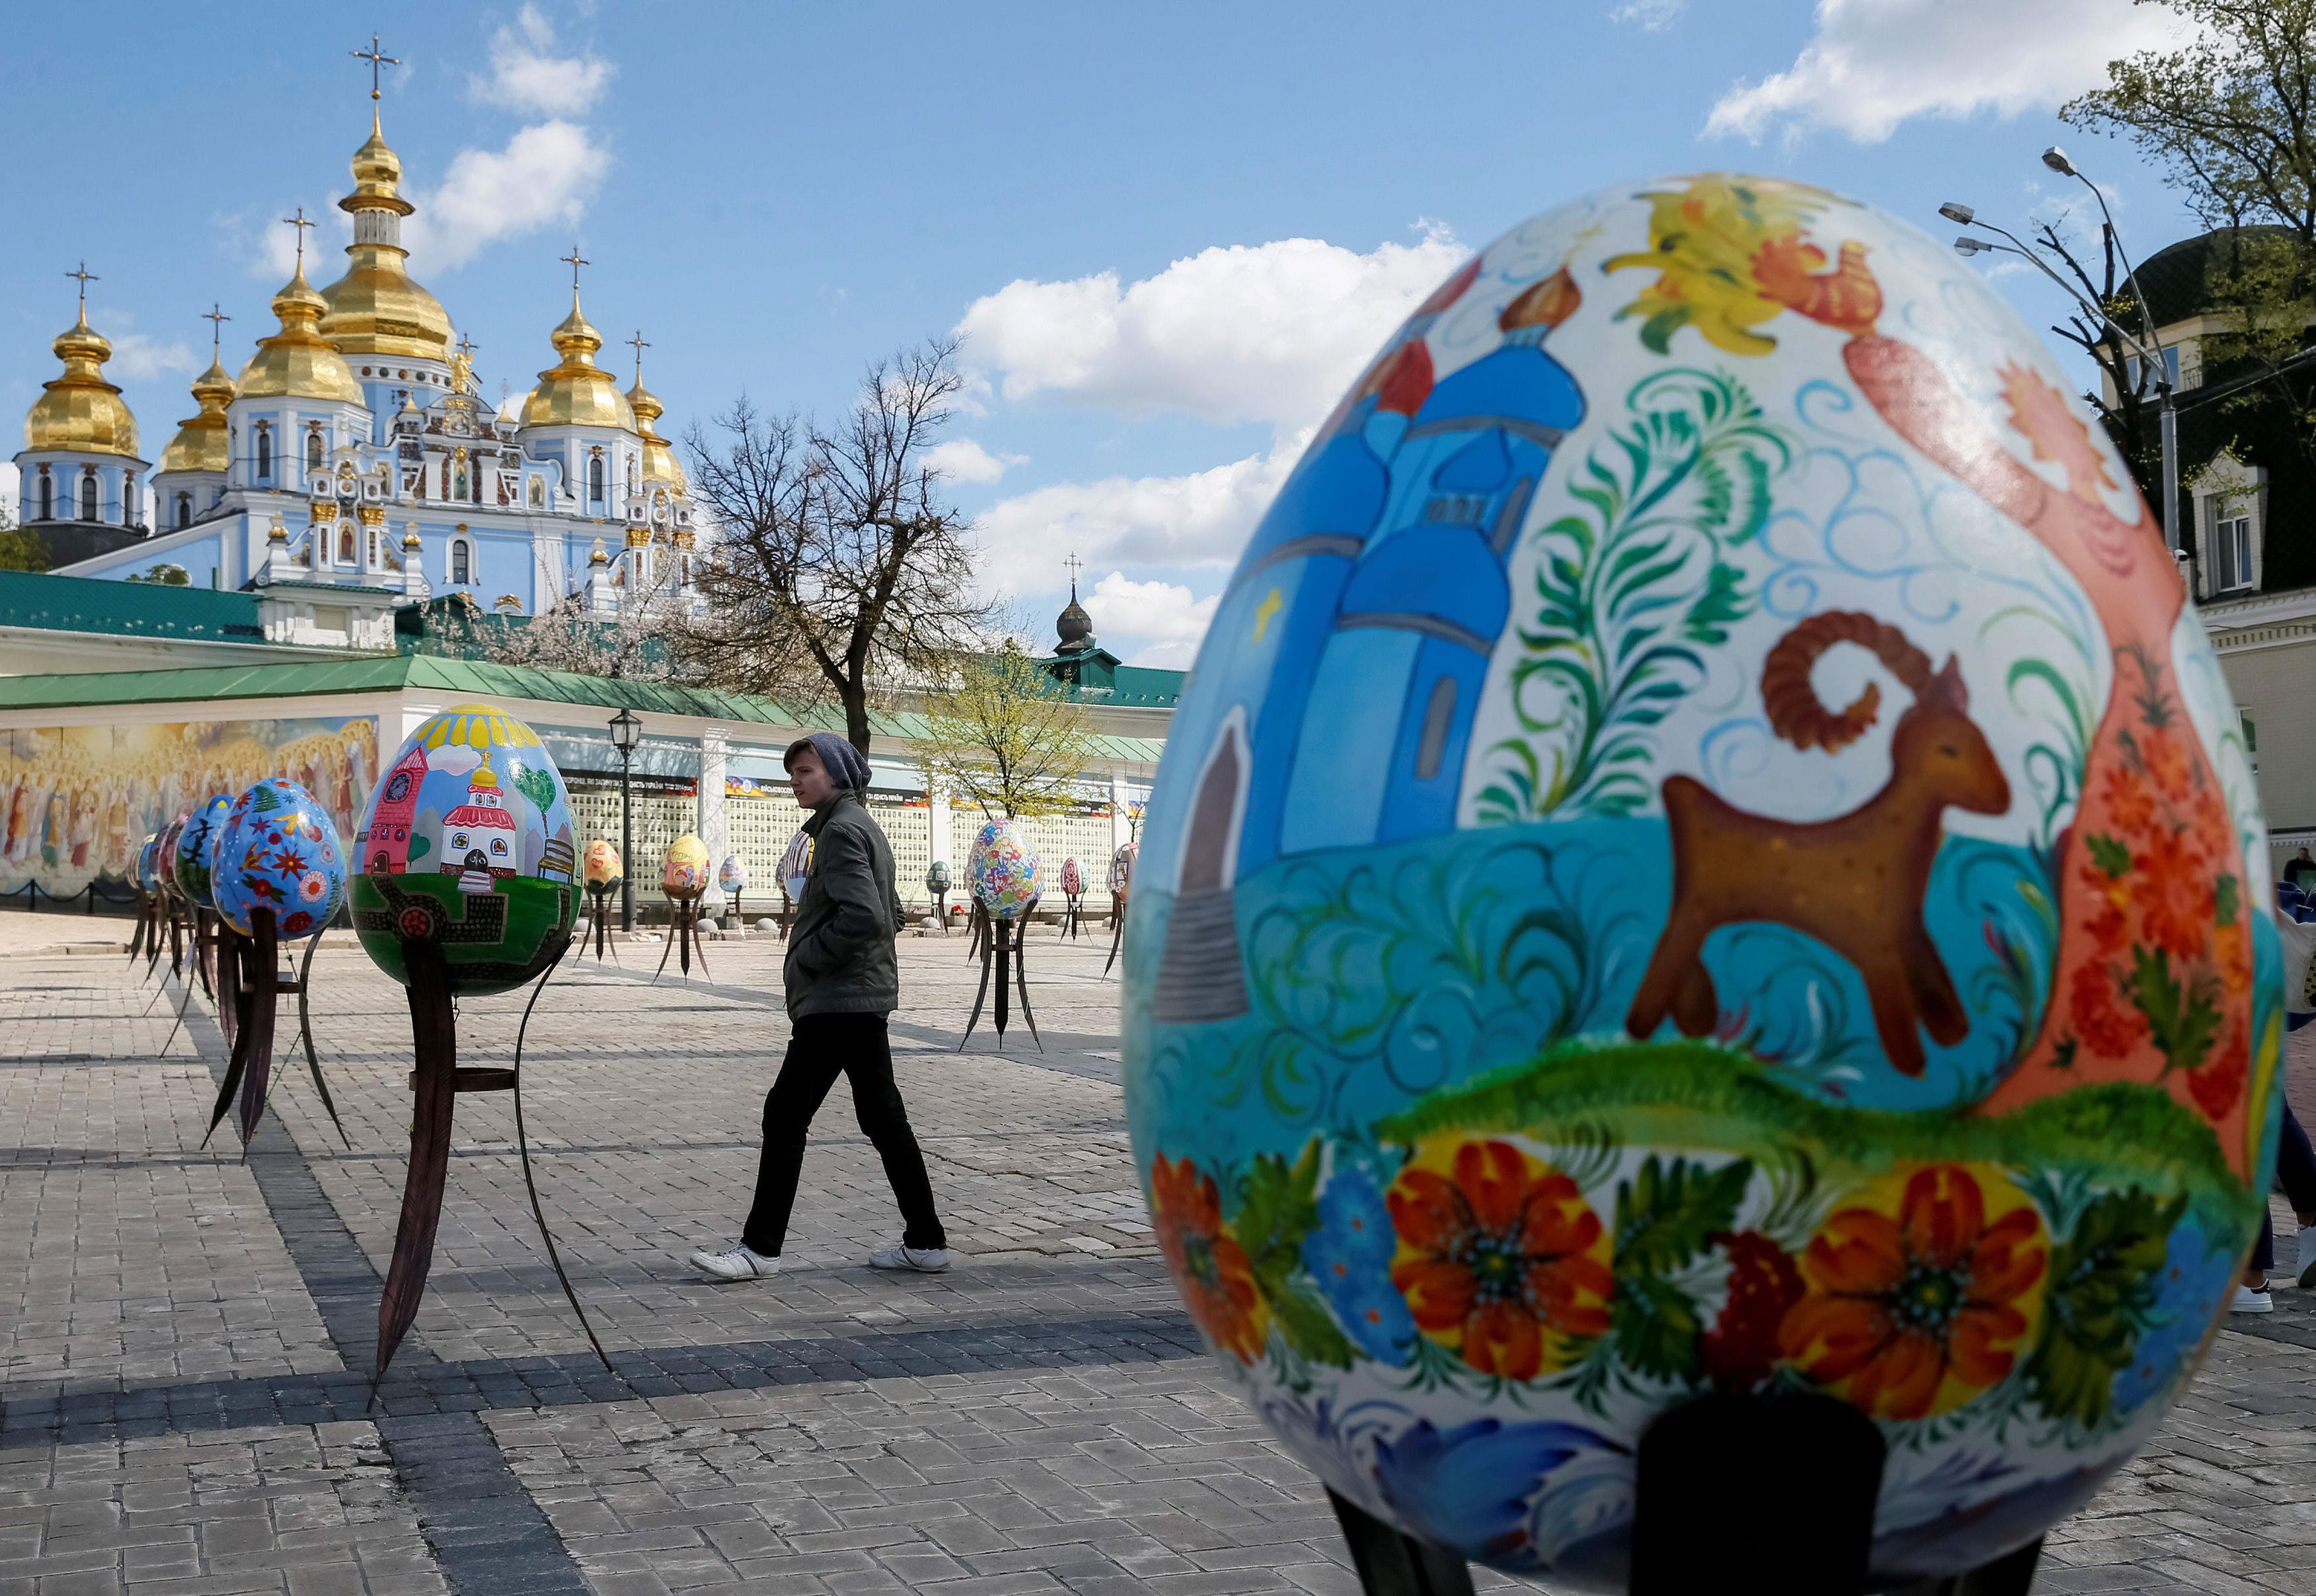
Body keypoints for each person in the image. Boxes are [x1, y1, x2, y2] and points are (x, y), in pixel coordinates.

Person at [688, 733, 950, 1280]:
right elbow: (894, 912)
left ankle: (760, 1251)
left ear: (835, 774)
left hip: (838, 1001)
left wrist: (808, 956)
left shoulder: (841, 831)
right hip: (859, 997)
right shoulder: (861, 825)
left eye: (805, 770)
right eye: (793, 773)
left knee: (785, 1115)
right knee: (883, 1117)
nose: (796, 781)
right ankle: (926, 1242)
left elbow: (869, 918)